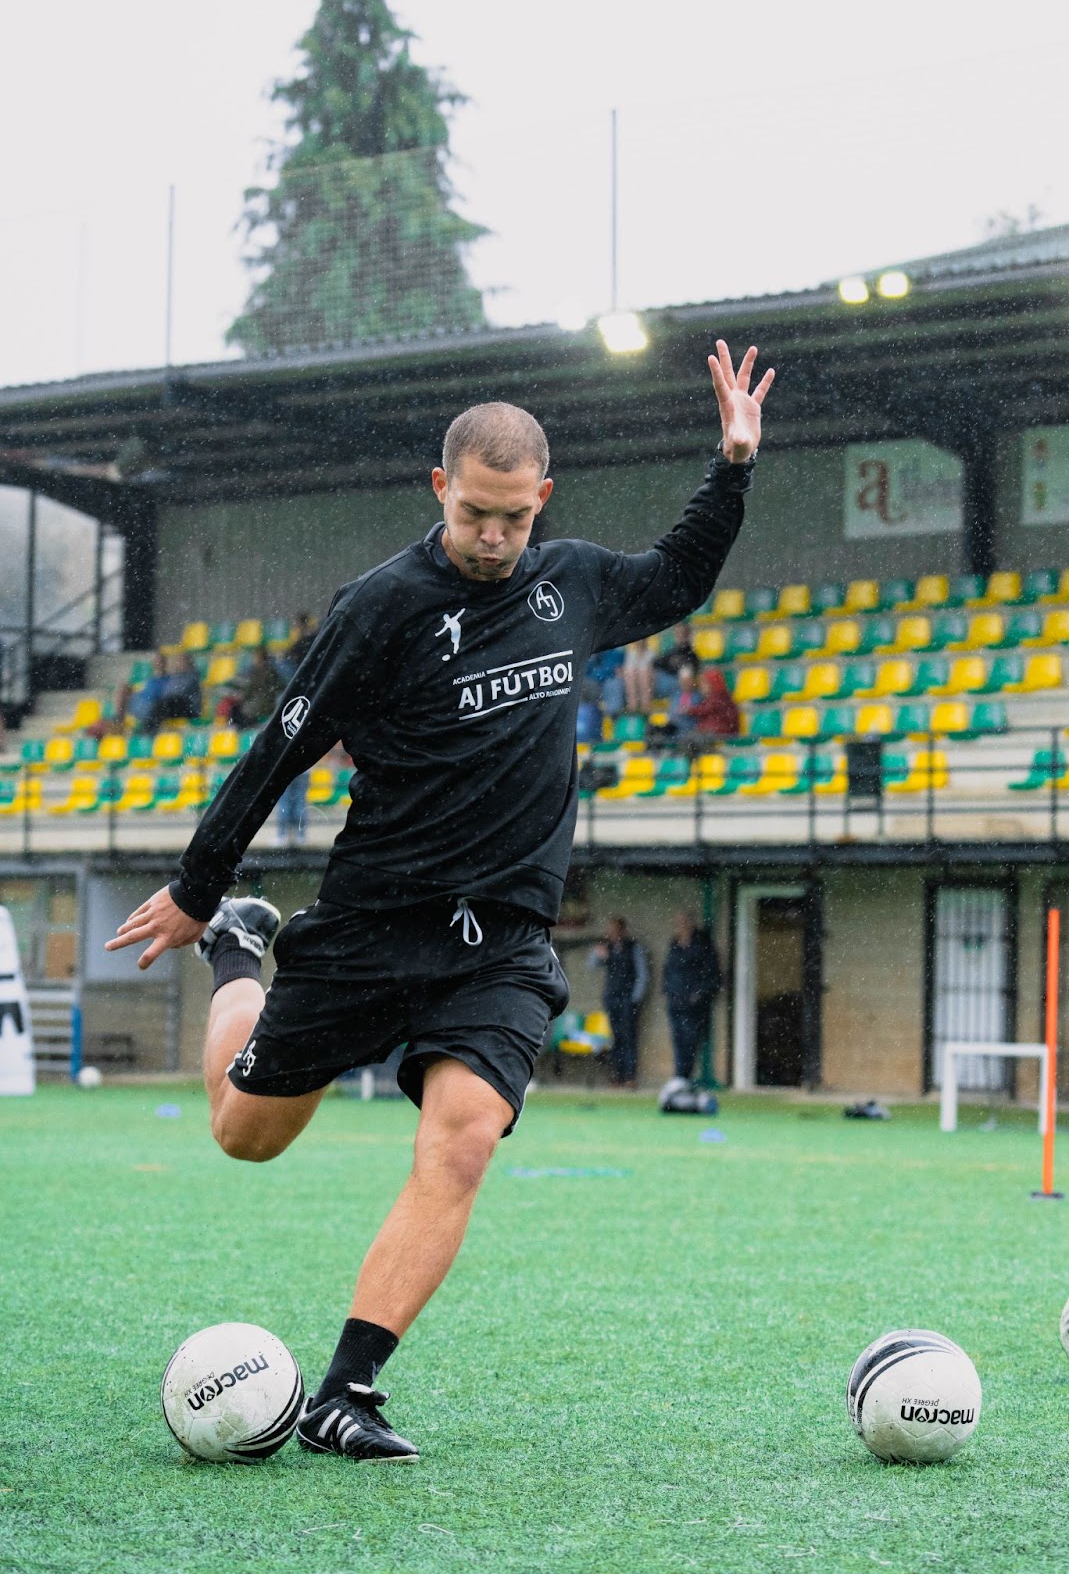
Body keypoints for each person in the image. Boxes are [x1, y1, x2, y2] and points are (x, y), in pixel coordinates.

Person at [105, 339, 774, 1463]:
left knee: (459, 1141)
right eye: (475, 514)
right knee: (245, 1134)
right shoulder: (379, 607)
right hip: (374, 923)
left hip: (502, 941)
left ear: (540, 501)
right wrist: (197, 886)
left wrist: (733, 466)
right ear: (440, 491)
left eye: (513, 517)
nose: (494, 537)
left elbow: (676, 578)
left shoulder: (568, 585)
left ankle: (346, 1393)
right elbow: (279, 746)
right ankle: (239, 954)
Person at [662, 910, 723, 1082]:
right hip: (675, 1000)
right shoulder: (674, 944)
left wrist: (699, 994)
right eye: (679, 922)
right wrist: (667, 991)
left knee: (690, 1039)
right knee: (678, 1039)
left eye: (684, 922)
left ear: (691, 923)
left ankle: (684, 1076)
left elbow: (714, 974)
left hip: (694, 1003)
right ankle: (679, 1077)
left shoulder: (702, 944)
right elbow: (668, 970)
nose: (681, 925)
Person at [589, 916, 649, 1087]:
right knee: (615, 1038)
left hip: (628, 1000)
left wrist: (635, 998)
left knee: (629, 1037)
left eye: (615, 929)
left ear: (623, 930)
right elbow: (592, 964)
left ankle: (630, 1075)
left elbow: (642, 974)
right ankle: (617, 1074)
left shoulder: (633, 947)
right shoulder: (607, 947)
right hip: (611, 998)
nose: (611, 933)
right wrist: (597, 953)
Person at [689, 666, 740, 740]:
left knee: (692, 737)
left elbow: (708, 709)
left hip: (721, 731)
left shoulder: (719, 696)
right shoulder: (712, 696)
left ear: (712, 683)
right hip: (713, 730)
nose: (701, 687)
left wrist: (690, 710)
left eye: (704, 683)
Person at [654, 621, 699, 698]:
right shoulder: (672, 651)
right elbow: (657, 663)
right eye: (678, 633)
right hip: (666, 680)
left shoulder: (691, 654)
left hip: (677, 683)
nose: (680, 636)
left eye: (683, 633)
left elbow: (689, 672)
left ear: (688, 635)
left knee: (683, 682)